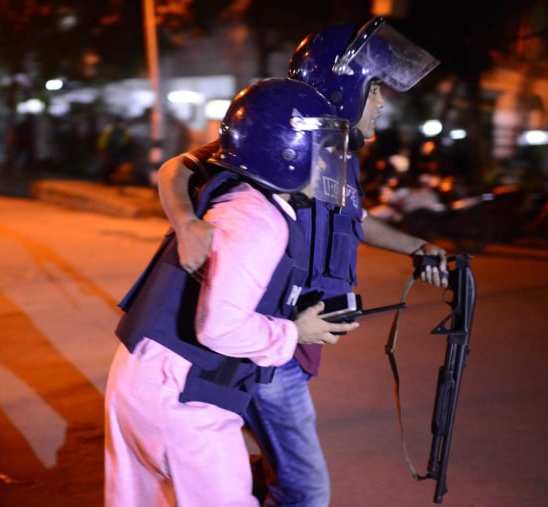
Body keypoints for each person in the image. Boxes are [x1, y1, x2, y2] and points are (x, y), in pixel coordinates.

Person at [157, 17, 448, 507]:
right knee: (306, 490)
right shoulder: (281, 136)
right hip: (270, 344)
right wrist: (187, 223)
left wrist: (417, 248)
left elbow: (352, 218)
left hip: (292, 343)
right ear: (348, 88)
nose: (382, 103)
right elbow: (176, 168)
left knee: (267, 469)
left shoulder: (338, 154)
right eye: (376, 91)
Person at [104, 78, 359, 507]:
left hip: (143, 379)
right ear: (286, 152)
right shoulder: (259, 220)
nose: (329, 165)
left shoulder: (236, 193)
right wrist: (294, 334)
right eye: (321, 150)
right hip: (181, 399)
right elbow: (220, 327)